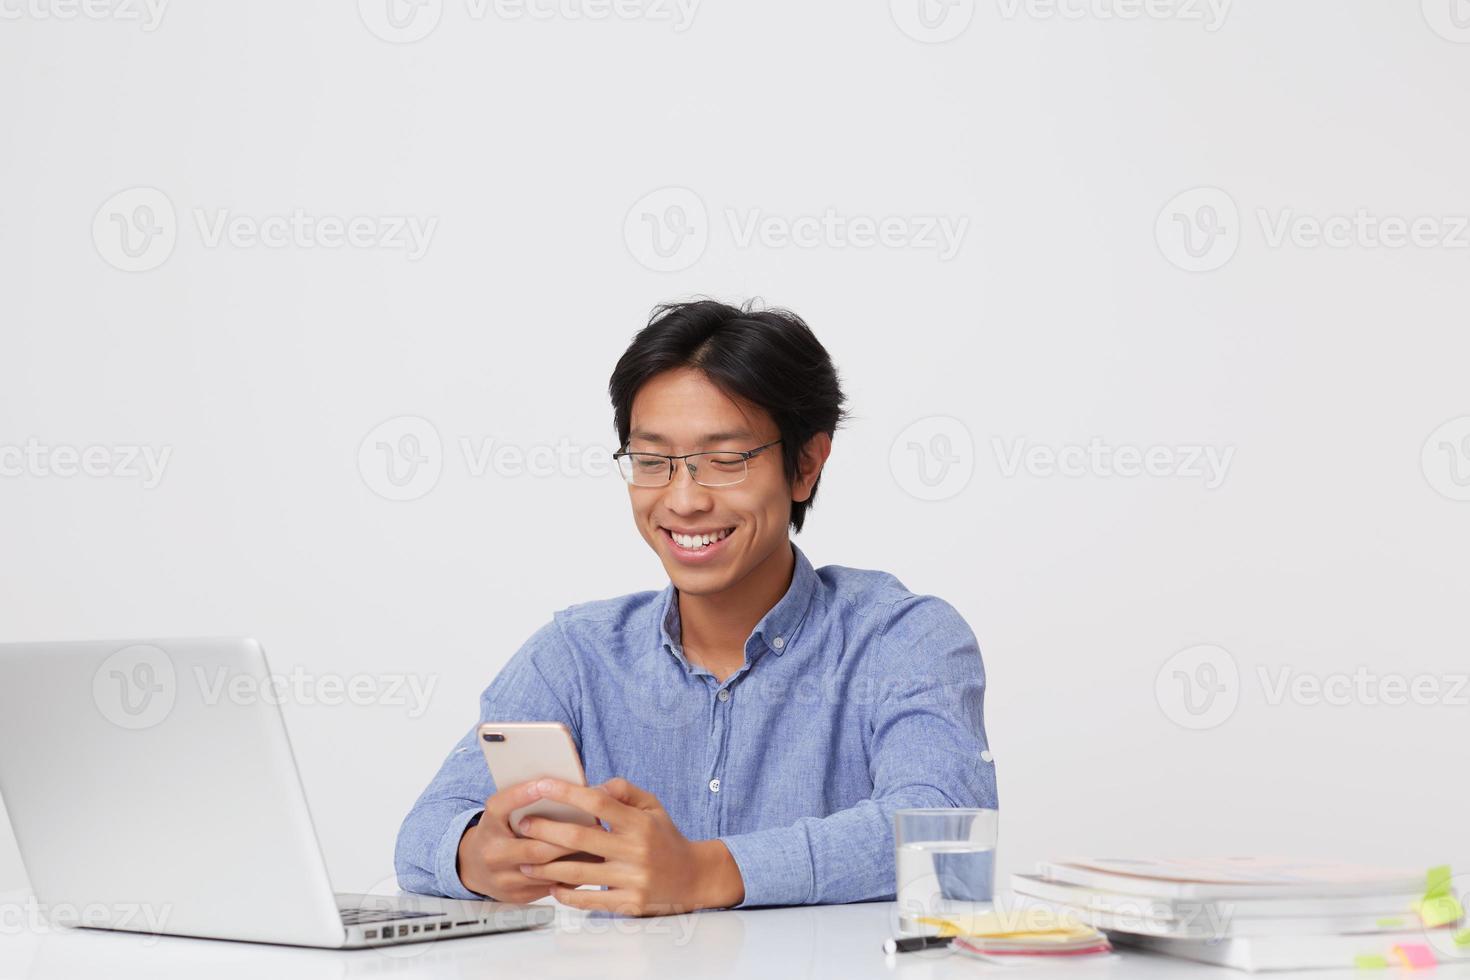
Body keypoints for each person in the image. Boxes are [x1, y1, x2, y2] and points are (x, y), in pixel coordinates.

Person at [394, 298, 996, 915]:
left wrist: (705, 871)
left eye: (724, 460)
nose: (683, 500)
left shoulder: (903, 639)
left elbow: (943, 831)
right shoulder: (576, 654)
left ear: (806, 466)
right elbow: (422, 836)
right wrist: (479, 854)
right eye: (653, 461)